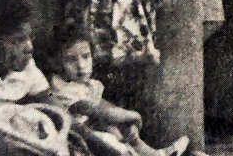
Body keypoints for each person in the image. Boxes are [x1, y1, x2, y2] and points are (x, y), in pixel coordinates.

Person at [45, 25, 189, 156]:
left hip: (98, 128)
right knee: (112, 140)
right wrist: (133, 117)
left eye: (86, 56)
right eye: (71, 60)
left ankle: (154, 154)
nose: (81, 65)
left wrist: (125, 124)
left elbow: (106, 107)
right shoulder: (64, 89)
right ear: (58, 63)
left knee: (123, 134)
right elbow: (101, 111)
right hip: (81, 138)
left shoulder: (89, 84)